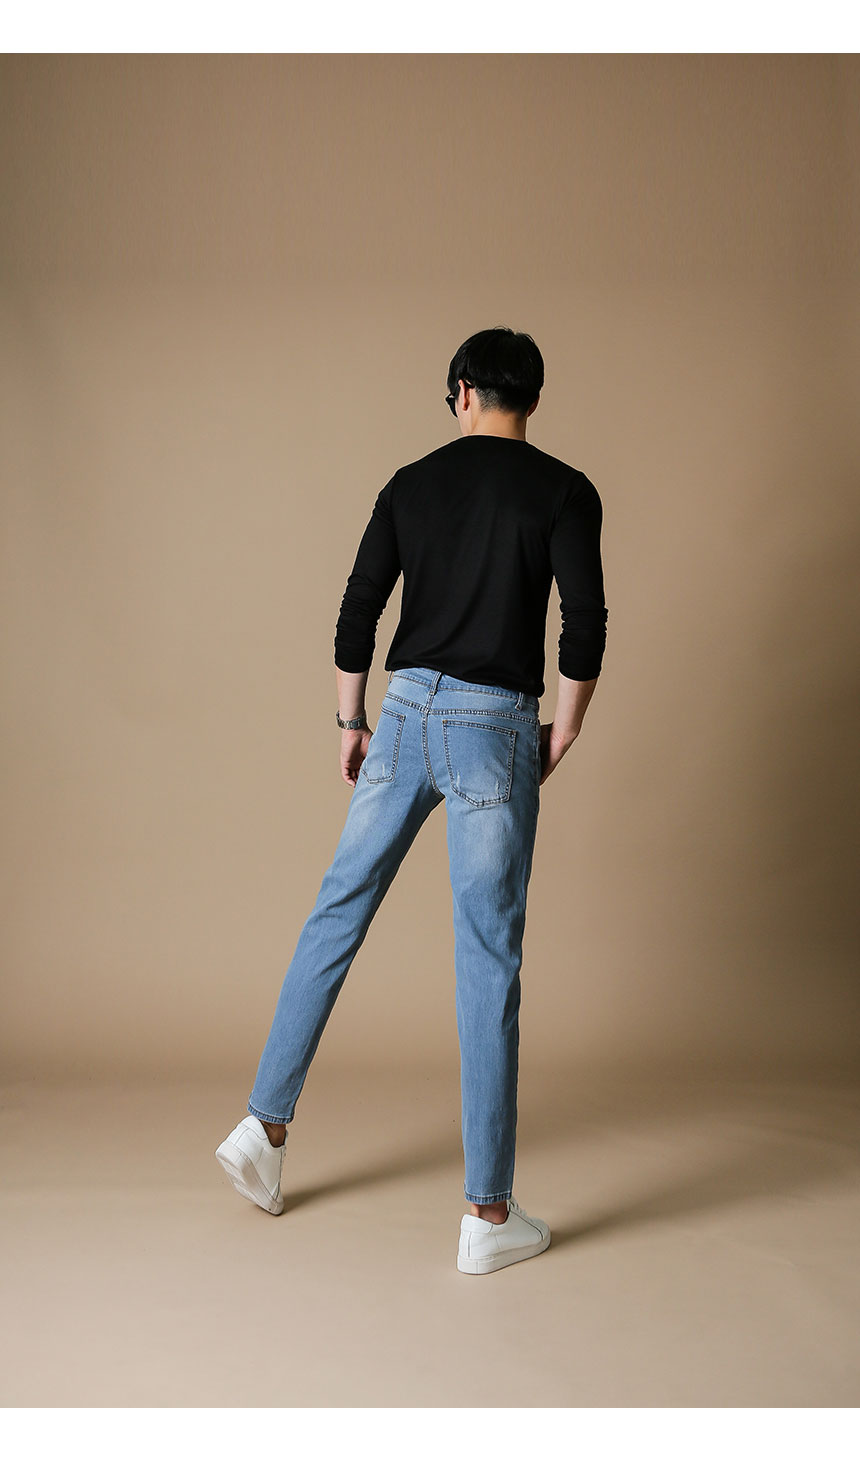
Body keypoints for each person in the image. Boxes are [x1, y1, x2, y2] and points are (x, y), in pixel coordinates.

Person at [215, 325, 609, 1274]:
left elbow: (359, 608)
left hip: (402, 713)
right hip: (494, 726)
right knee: (487, 956)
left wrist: (351, 721)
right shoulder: (565, 490)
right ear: (531, 399)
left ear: (463, 391)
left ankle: (263, 1129)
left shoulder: (410, 483)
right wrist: (563, 730)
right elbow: (584, 623)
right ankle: (487, 1215)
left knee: (336, 911)